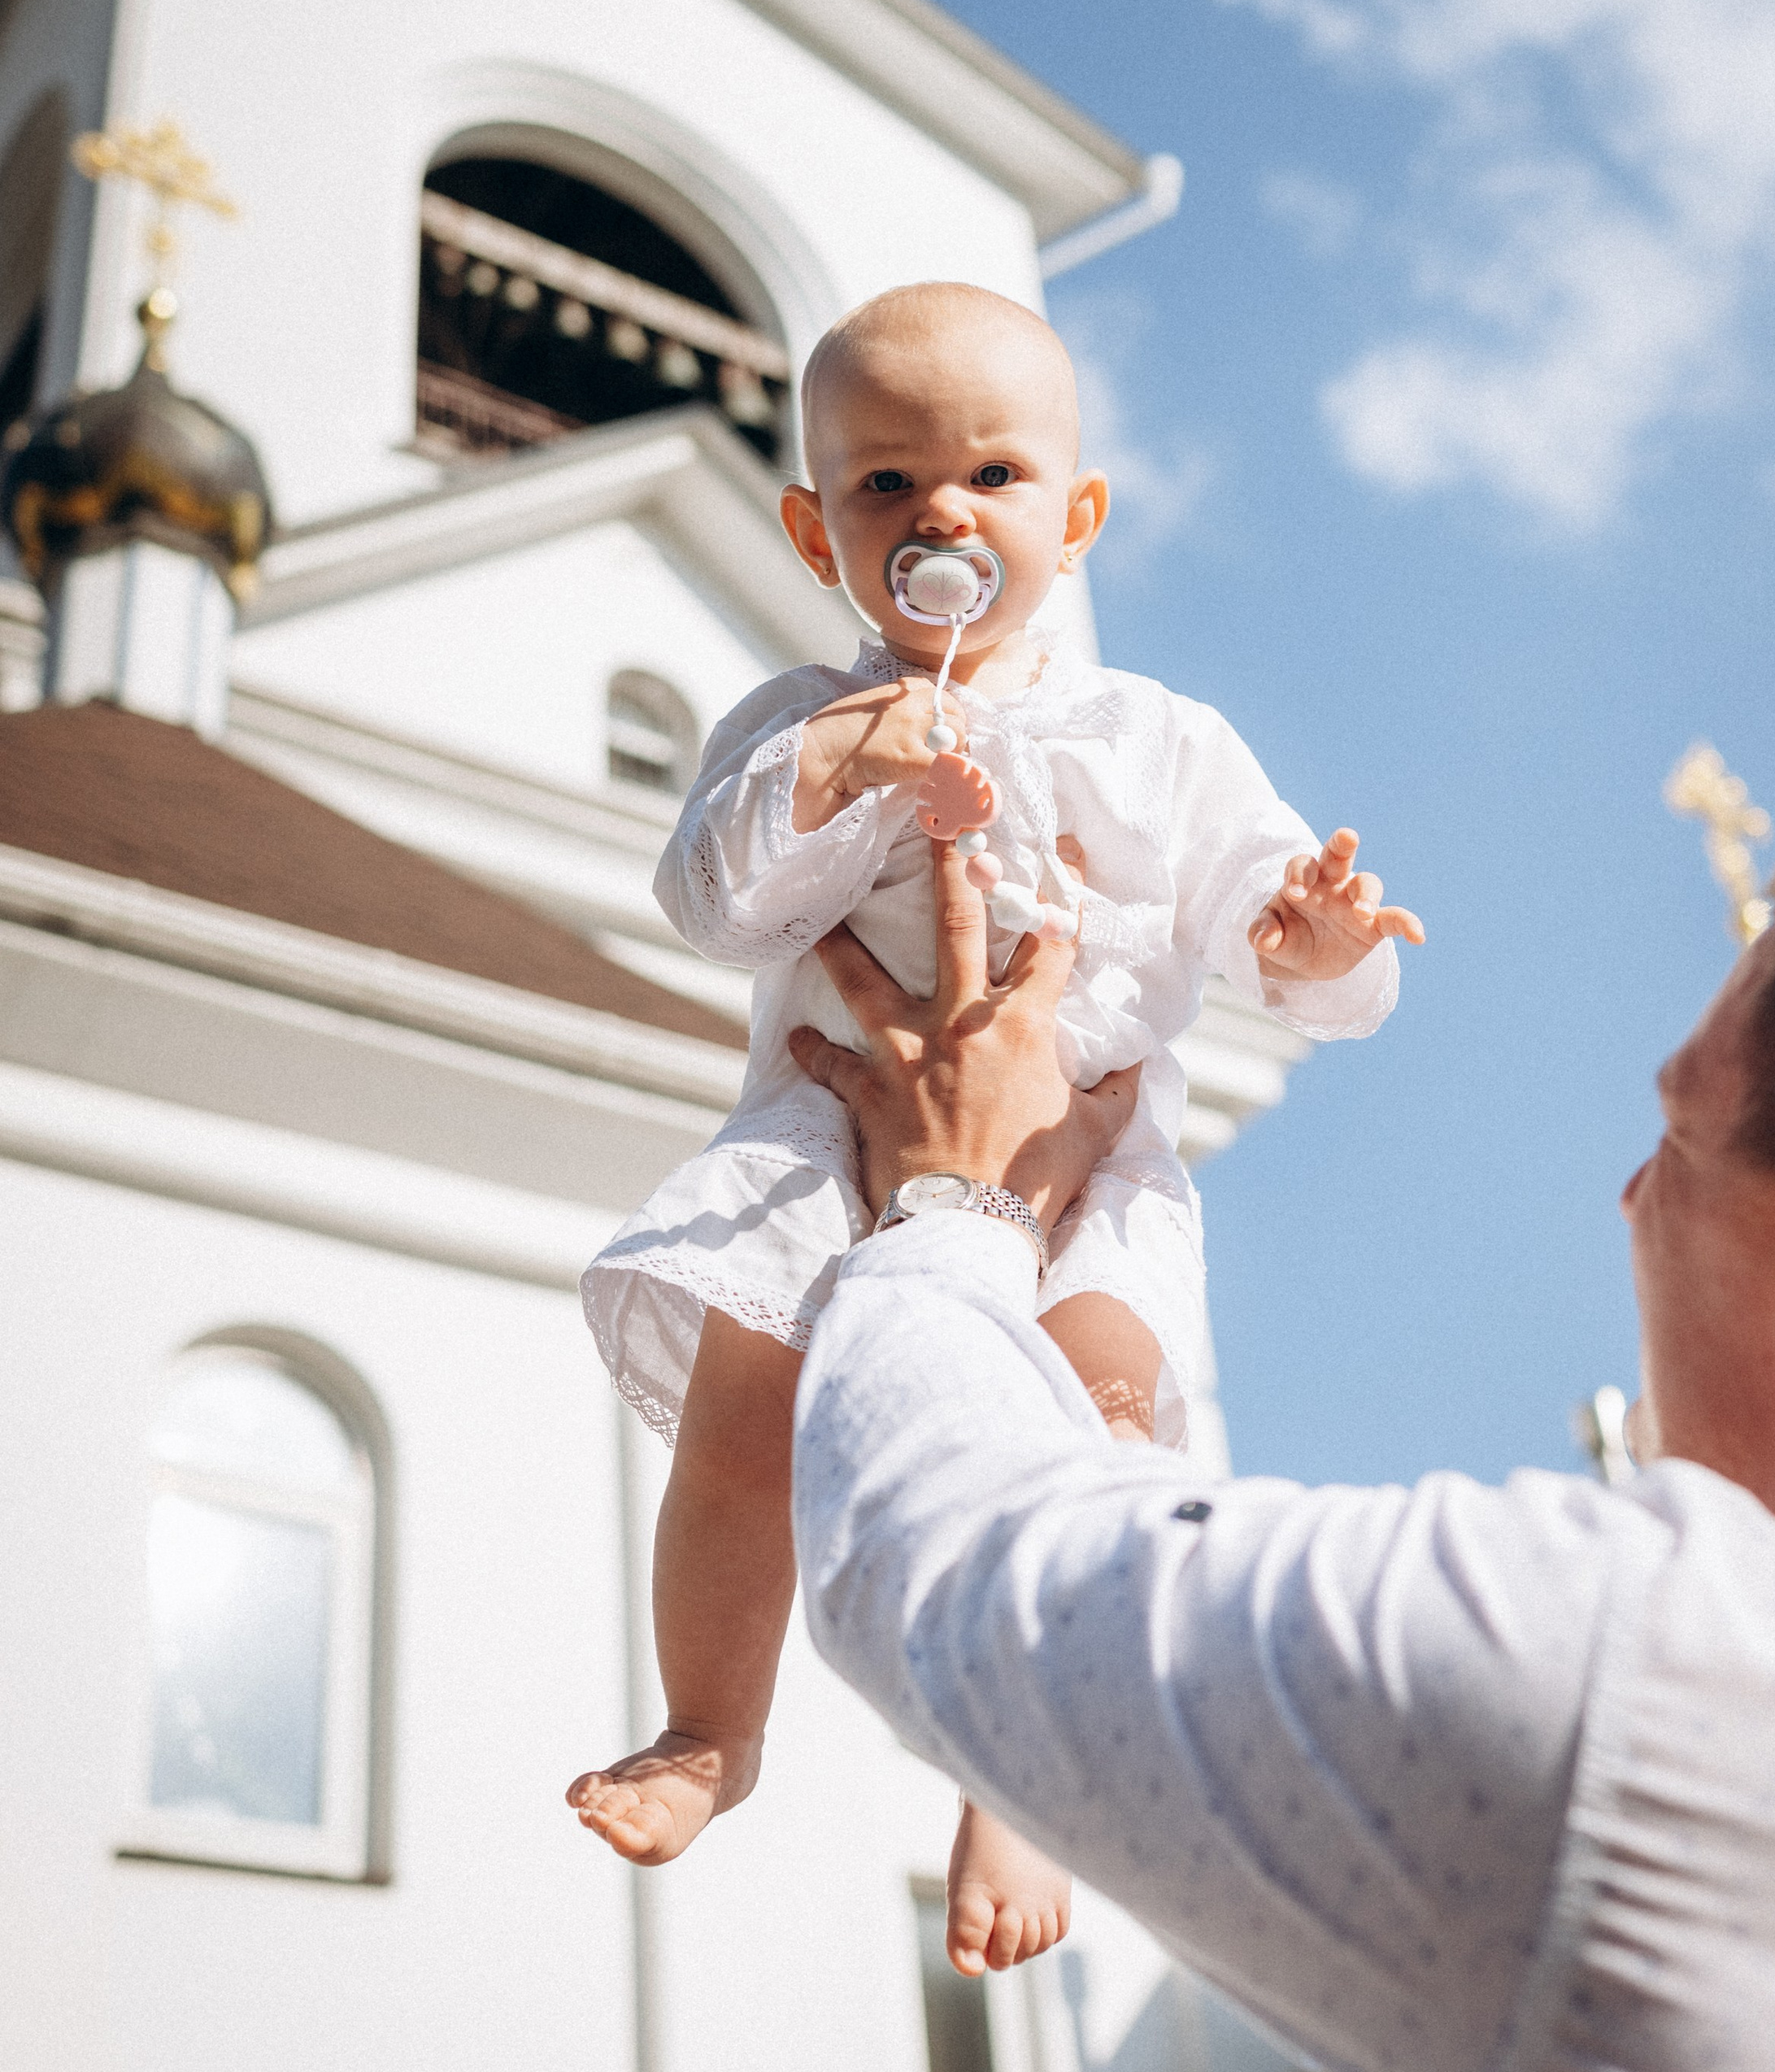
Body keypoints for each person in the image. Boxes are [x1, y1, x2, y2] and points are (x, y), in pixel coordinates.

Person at [785, 786, 1775, 2072]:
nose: (1629, 1196)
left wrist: (953, 1188)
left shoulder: (1656, 1683)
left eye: (1677, 1136)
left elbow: (949, 1560)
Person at [567, 282, 1421, 1981]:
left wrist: (1311, 945)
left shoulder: (1158, 737)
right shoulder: (802, 719)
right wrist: (839, 766)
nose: (939, 512)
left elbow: (1271, 927)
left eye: (992, 476)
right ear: (816, 533)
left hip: (1083, 1164)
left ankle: (1020, 1774)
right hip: (832, 1143)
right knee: (741, 1413)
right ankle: (708, 1727)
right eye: (883, 487)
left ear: (1073, 518)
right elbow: (713, 900)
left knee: (1097, 1425)